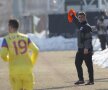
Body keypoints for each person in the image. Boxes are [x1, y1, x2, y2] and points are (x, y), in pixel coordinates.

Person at [0, 19, 39, 90]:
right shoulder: (26, 37)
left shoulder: (6, 39)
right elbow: (36, 50)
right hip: (27, 70)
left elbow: (3, 54)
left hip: (15, 70)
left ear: (10, 27)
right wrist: (32, 62)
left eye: (8, 26)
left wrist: (7, 59)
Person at [70, 11, 94, 85]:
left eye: (81, 17)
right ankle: (81, 80)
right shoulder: (80, 25)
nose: (80, 18)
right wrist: (73, 16)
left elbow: (88, 38)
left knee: (89, 65)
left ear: (85, 17)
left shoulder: (87, 26)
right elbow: (77, 22)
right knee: (77, 63)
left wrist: (86, 48)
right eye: (79, 17)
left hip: (86, 49)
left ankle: (91, 81)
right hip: (80, 49)